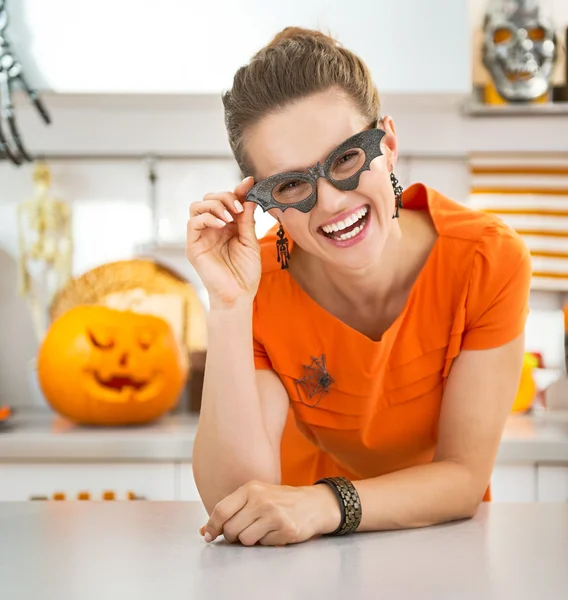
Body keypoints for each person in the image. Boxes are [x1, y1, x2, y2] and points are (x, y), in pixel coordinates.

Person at [185, 26, 532, 547]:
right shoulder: (255, 283)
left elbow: (463, 477)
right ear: (264, 202)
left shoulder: (487, 260)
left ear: (387, 145)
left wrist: (328, 503)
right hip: (298, 552)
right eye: (292, 184)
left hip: (437, 544)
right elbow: (236, 500)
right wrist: (230, 307)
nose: (330, 203)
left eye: (346, 158)